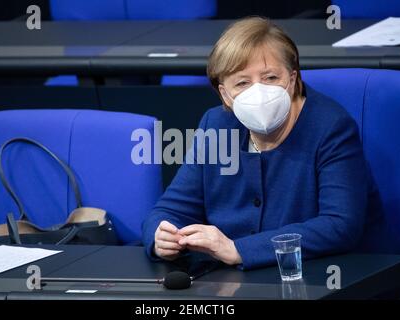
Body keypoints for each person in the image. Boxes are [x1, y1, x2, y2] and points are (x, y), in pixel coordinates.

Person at [142, 17, 378, 270]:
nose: (259, 92)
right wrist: (161, 236)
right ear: (225, 94)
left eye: (270, 77)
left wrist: (238, 250)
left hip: (314, 275)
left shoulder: (331, 127)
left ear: (293, 78)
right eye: (242, 82)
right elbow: (171, 208)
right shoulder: (216, 123)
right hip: (229, 283)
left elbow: (340, 225)